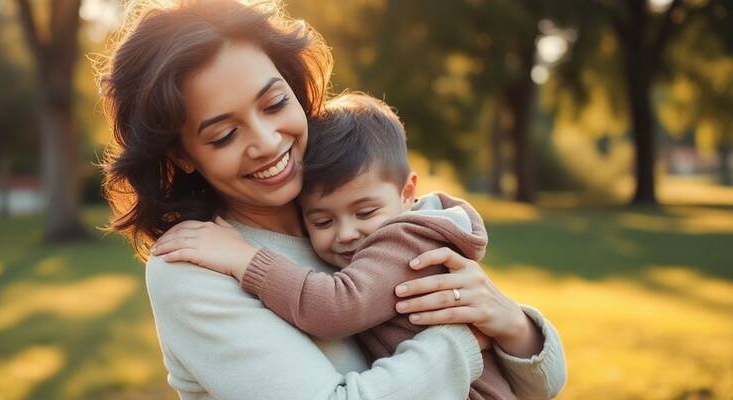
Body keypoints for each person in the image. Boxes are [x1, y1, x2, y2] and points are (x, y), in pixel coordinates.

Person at [100, 1, 566, 399]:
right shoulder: (193, 269)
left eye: (274, 104)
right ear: (182, 155)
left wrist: (509, 324)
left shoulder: (354, 215)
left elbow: (541, 384)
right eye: (224, 134)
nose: (265, 141)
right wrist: (464, 342)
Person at [155, 92, 530, 400]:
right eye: (322, 221)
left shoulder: (406, 237)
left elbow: (336, 308)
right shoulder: (189, 276)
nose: (347, 233)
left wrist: (247, 260)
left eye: (273, 105)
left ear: (407, 193)